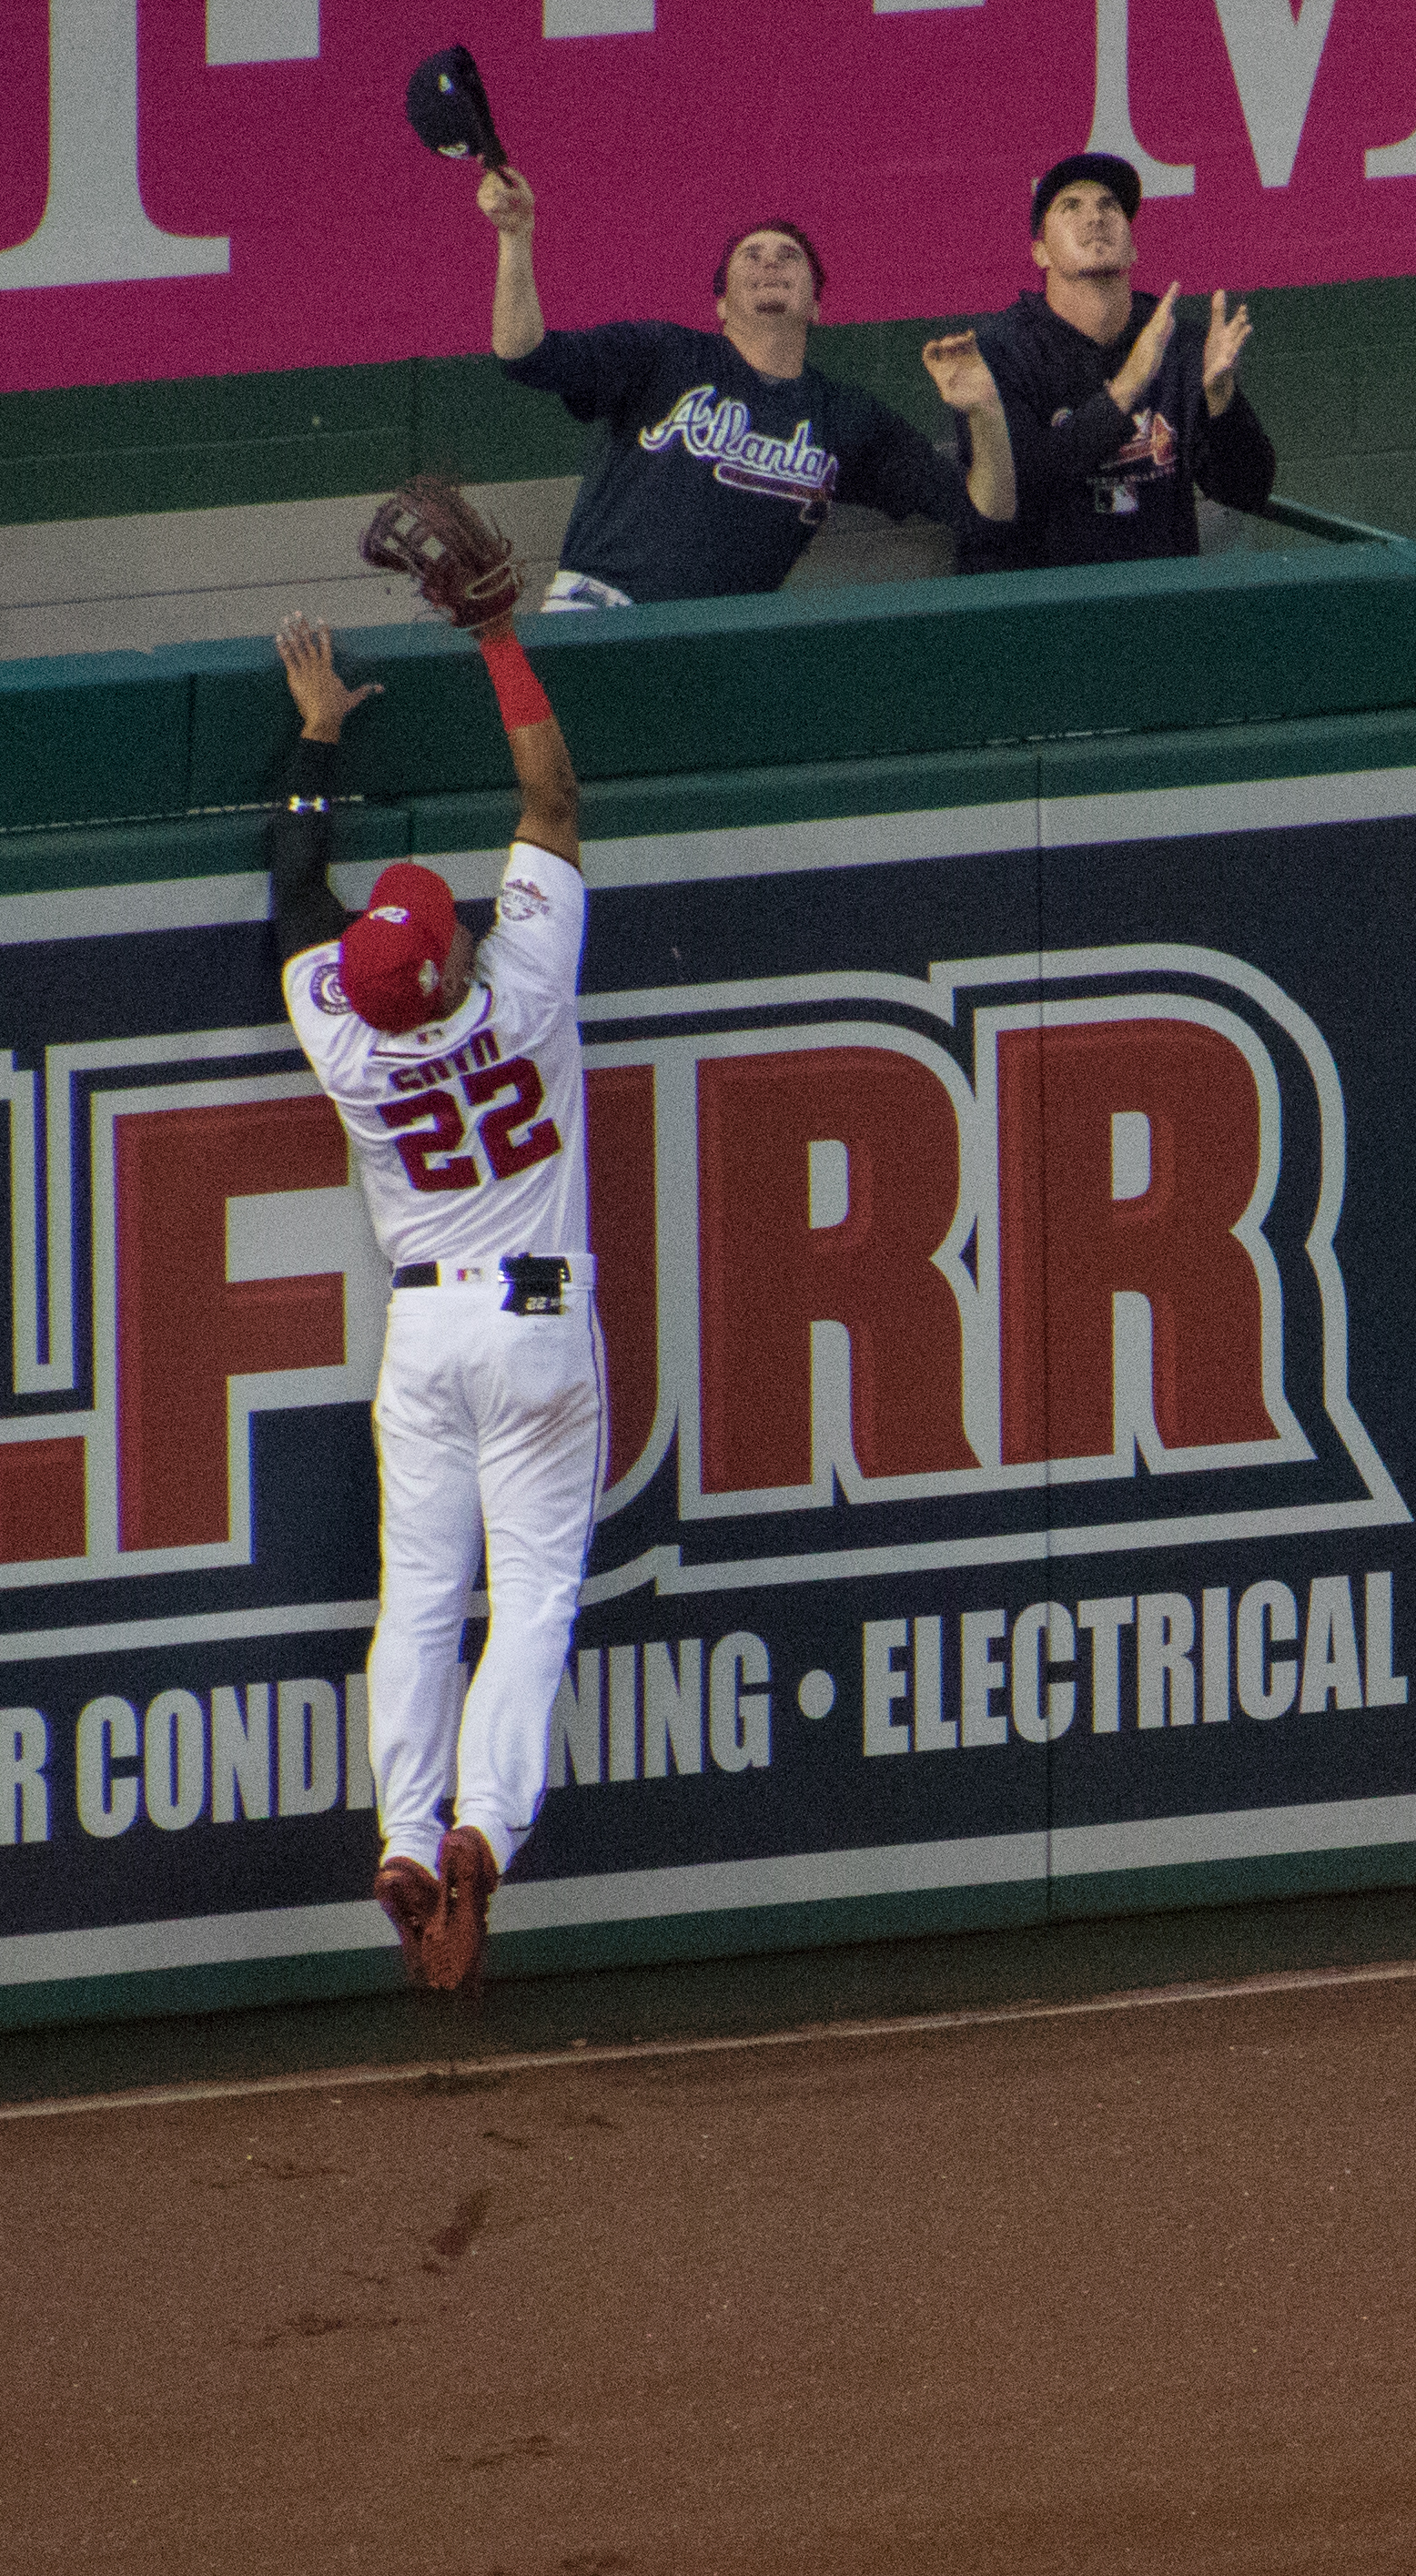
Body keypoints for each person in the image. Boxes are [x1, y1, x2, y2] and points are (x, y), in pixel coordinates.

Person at [268, 569, 594, 1997]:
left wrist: (317, 742)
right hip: (533, 1318)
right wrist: (500, 639)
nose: (449, 910)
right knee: (527, 1599)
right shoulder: (521, 988)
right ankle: (483, 1831)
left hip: (423, 1325)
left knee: (418, 1599)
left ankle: (406, 1836)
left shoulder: (342, 1031)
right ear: (454, 962)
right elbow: (553, 804)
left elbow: (293, 888)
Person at [482, 167, 1016, 607]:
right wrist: (514, 237)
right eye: (751, 255)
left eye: (789, 257)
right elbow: (525, 355)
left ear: (816, 304)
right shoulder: (664, 354)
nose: (770, 264)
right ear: (719, 305)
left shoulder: (845, 418)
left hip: (722, 644)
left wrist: (986, 413)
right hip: (602, 611)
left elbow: (985, 515)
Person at [959, 153, 1278, 573]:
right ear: (1040, 253)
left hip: (1161, 604)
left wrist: (1221, 401)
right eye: (1070, 206)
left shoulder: (1181, 343)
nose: (1095, 217)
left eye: (1110, 206)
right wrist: (1130, 382)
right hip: (1045, 609)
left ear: (1133, 248)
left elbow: (1245, 492)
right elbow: (1021, 497)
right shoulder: (1000, 352)